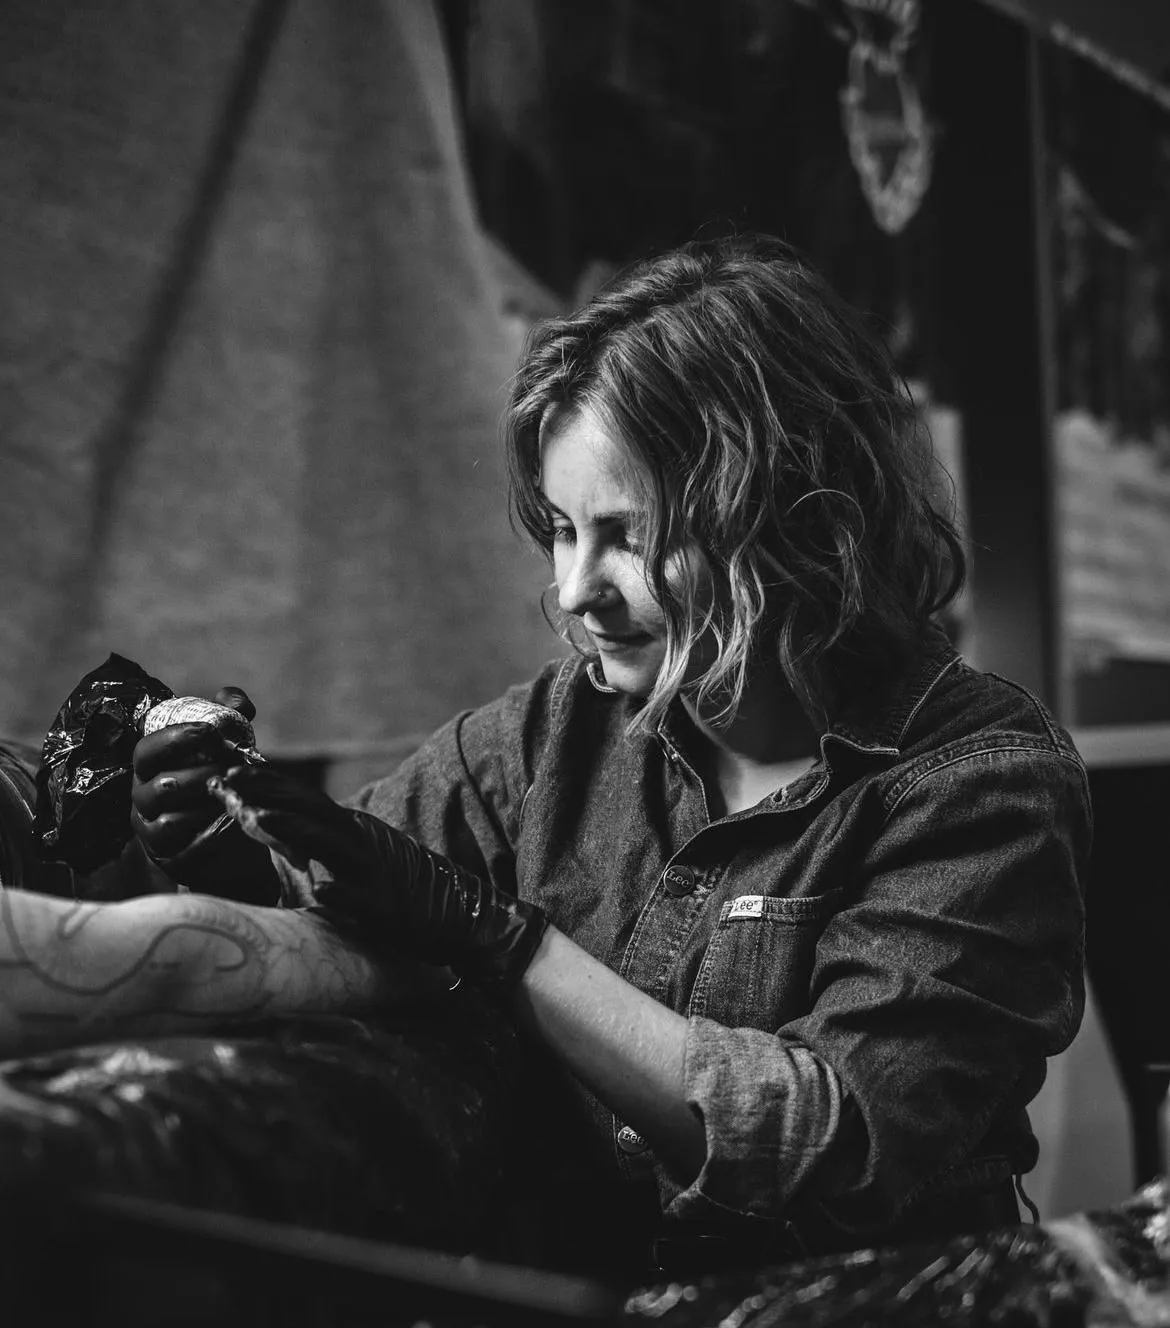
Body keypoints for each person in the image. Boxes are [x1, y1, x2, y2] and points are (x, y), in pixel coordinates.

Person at [19, 234, 1091, 1276]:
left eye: (628, 535)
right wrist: (229, 846)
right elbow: (342, 920)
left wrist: (507, 944)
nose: (577, 590)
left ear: (796, 519)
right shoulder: (544, 737)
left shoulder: (977, 782)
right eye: (564, 530)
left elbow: (837, 1149)